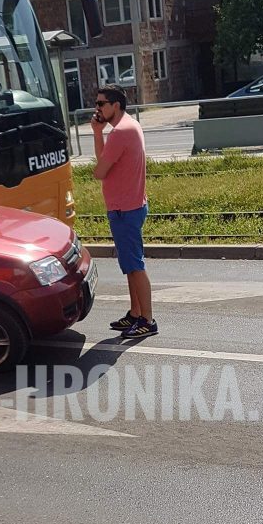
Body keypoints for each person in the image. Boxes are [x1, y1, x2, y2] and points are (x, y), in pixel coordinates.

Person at [91, 85, 157, 338]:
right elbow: (106, 161)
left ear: (115, 105)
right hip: (133, 205)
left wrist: (99, 134)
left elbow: (99, 171)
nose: (97, 108)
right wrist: (99, 131)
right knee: (129, 265)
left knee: (135, 266)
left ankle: (148, 321)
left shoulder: (120, 133)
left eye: (101, 104)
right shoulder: (130, 125)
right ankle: (135, 313)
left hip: (124, 209)